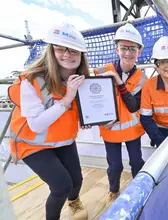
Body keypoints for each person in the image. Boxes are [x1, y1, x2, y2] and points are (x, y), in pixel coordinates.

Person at [8, 23, 90, 220]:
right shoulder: (31, 80)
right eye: (61, 49)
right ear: (51, 50)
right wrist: (68, 98)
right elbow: (36, 125)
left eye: (73, 50)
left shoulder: (82, 79)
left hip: (62, 139)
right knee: (61, 186)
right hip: (32, 144)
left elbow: (76, 110)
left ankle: (74, 201)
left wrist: (86, 118)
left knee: (76, 181)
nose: (67, 55)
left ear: (81, 55)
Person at [93, 23, 146, 207]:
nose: (128, 53)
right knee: (115, 166)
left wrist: (117, 80)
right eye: (124, 48)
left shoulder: (141, 78)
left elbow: (133, 106)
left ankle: (139, 190)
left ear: (139, 51)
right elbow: (88, 98)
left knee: (137, 162)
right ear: (117, 49)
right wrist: (95, 120)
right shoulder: (99, 72)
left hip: (132, 130)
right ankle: (113, 191)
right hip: (110, 130)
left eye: (133, 48)